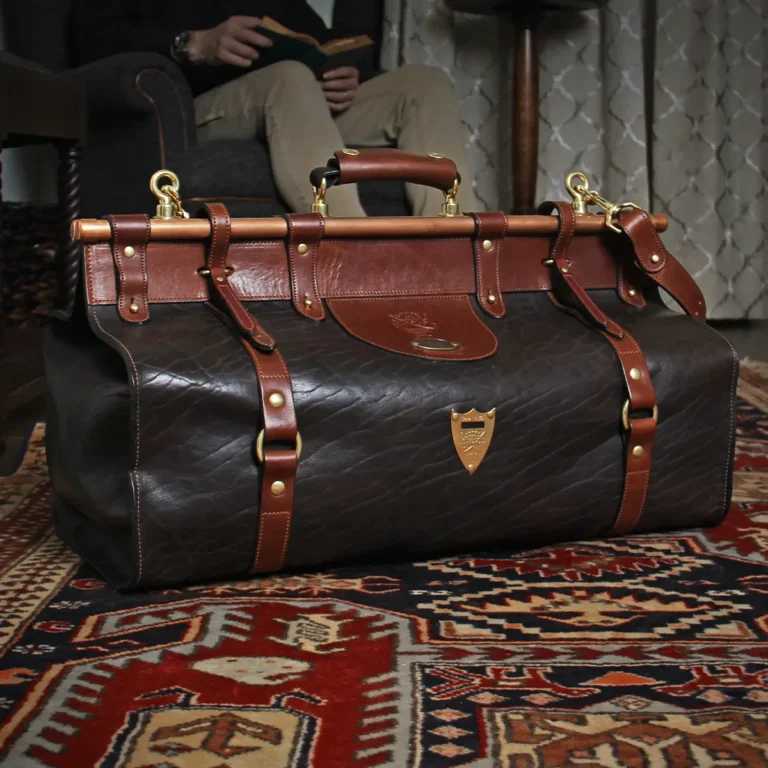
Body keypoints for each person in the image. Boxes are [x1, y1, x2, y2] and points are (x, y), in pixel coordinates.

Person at [72, 1, 478, 217]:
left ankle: (459, 245)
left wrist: (345, 72)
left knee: (422, 83)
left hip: (288, 106)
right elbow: (87, 41)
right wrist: (191, 43)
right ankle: (355, 247)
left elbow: (320, 43)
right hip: (189, 111)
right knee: (288, 77)